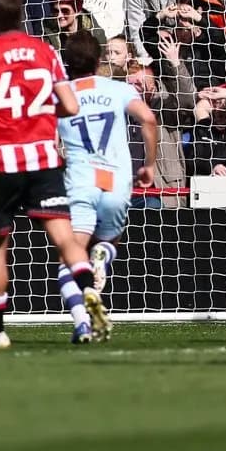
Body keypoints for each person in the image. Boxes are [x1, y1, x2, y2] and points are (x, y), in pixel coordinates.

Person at [0, 0, 101, 349]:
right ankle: (88, 293)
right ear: (21, 12)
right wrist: (40, 111)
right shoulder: (45, 49)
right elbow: (71, 105)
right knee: (64, 238)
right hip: (42, 158)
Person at [56, 30, 160, 339]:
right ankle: (102, 255)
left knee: (70, 257)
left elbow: (50, 143)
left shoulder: (58, 95)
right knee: (108, 242)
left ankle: (81, 324)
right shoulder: (119, 89)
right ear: (99, 60)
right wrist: (150, 165)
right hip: (116, 179)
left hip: (81, 180)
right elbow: (149, 120)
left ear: (65, 62)